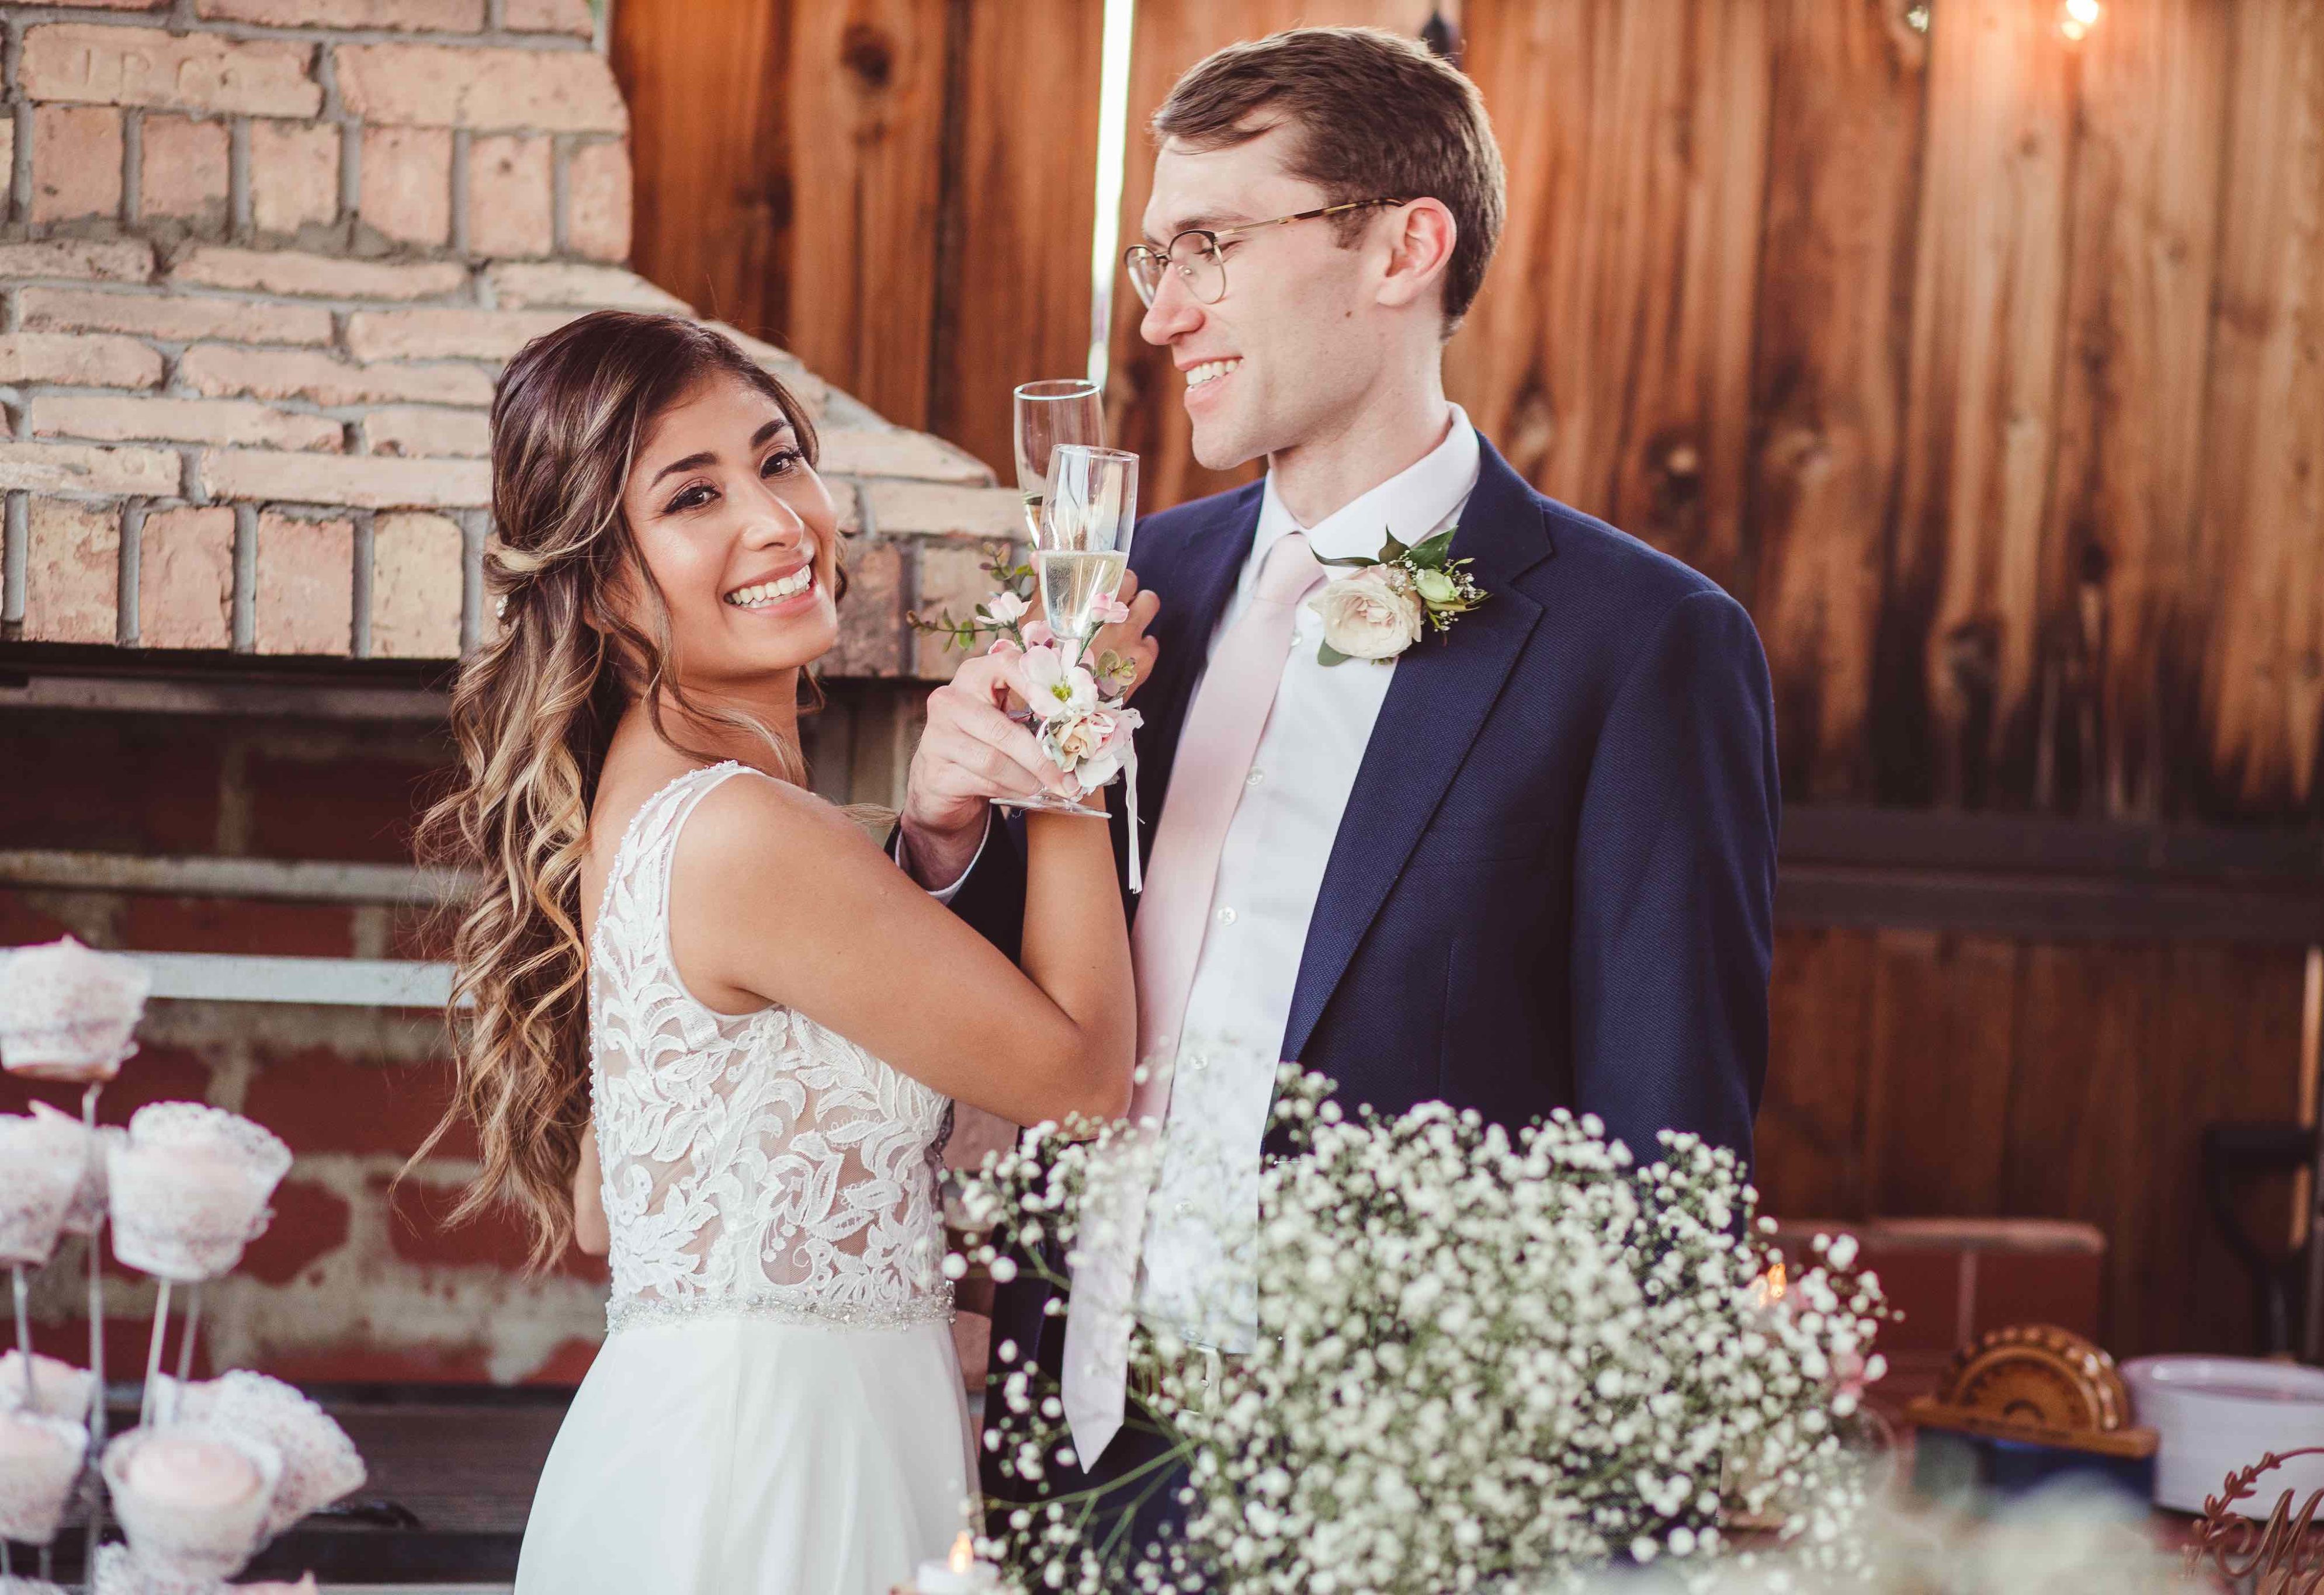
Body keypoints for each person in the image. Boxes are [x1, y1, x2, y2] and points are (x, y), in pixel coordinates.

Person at [894, 25, 1780, 1563]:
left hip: (1412, 1496)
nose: (1163, 314)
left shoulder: (1645, 648)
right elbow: (1014, 1010)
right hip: (1073, 1437)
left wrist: (1630, 1546)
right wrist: (944, 832)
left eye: (1213, 249)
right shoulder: (1127, 590)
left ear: (1402, 249)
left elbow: (1667, 1167)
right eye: (1152, 262)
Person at [417, 311, 1137, 1595]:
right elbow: (1080, 1078)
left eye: (778, 459)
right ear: (597, 570)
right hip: (776, 1479)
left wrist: (924, 845)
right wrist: (1070, 723)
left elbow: (610, 1204)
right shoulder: (739, 831)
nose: (775, 519)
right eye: (693, 495)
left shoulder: (649, 812)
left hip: (731, 1441)